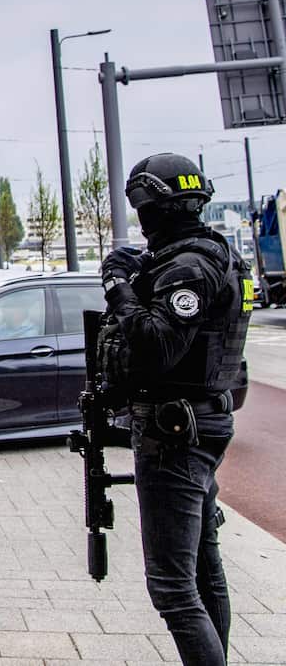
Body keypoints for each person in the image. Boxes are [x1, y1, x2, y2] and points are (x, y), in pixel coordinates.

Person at [98, 153, 251, 665]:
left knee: (171, 587)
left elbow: (157, 345)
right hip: (199, 423)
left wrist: (117, 286)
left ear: (150, 208)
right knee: (204, 569)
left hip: (175, 434)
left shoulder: (188, 265)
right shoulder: (212, 255)